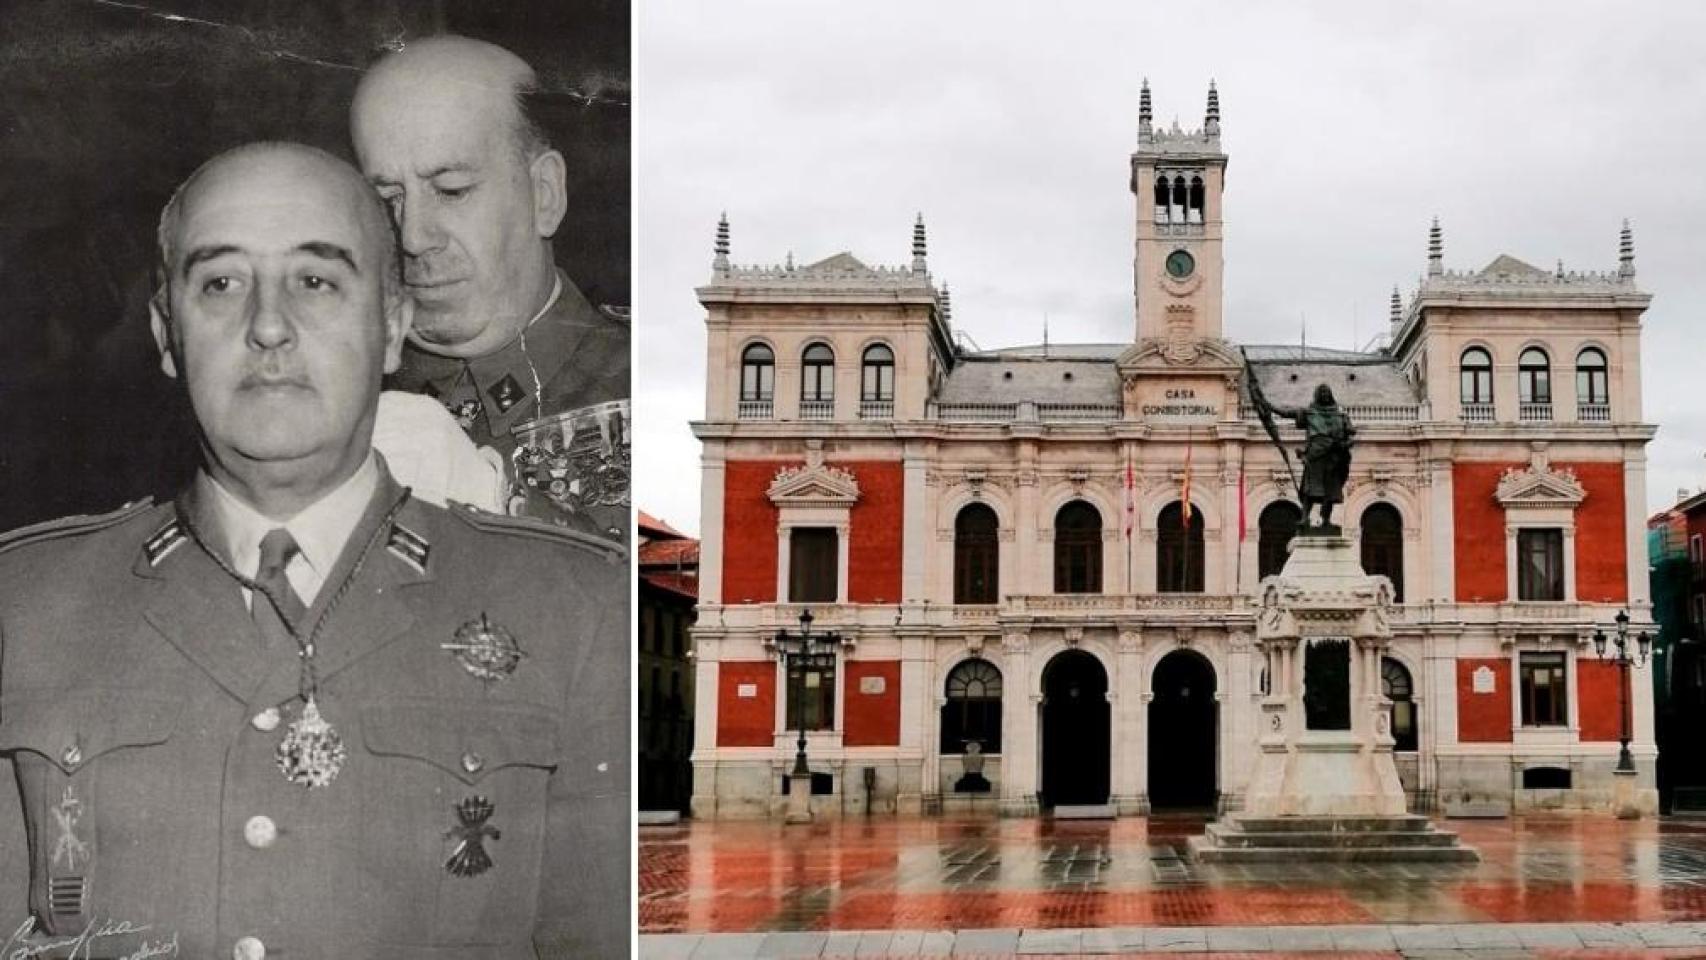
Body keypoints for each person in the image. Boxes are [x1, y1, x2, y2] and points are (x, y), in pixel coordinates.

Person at [0, 143, 628, 959]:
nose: (267, 326)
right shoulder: (25, 607)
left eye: (317, 280)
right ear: (166, 332)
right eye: (220, 282)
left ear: (394, 325)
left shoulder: (575, 612)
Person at [352, 35, 630, 544]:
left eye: (452, 191)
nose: (412, 237)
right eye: (385, 198)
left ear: (543, 195)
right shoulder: (336, 389)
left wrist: (498, 503)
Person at [1267, 383, 1357, 528]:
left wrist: (1349, 440)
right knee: (1310, 488)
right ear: (1317, 395)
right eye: (1322, 393)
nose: (1325, 395)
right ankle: (1304, 518)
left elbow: (1351, 432)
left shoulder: (1340, 415)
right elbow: (1286, 413)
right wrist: (1270, 407)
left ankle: (1326, 520)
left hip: (1334, 455)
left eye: (1327, 392)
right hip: (1315, 455)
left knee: (1331, 490)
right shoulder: (1310, 413)